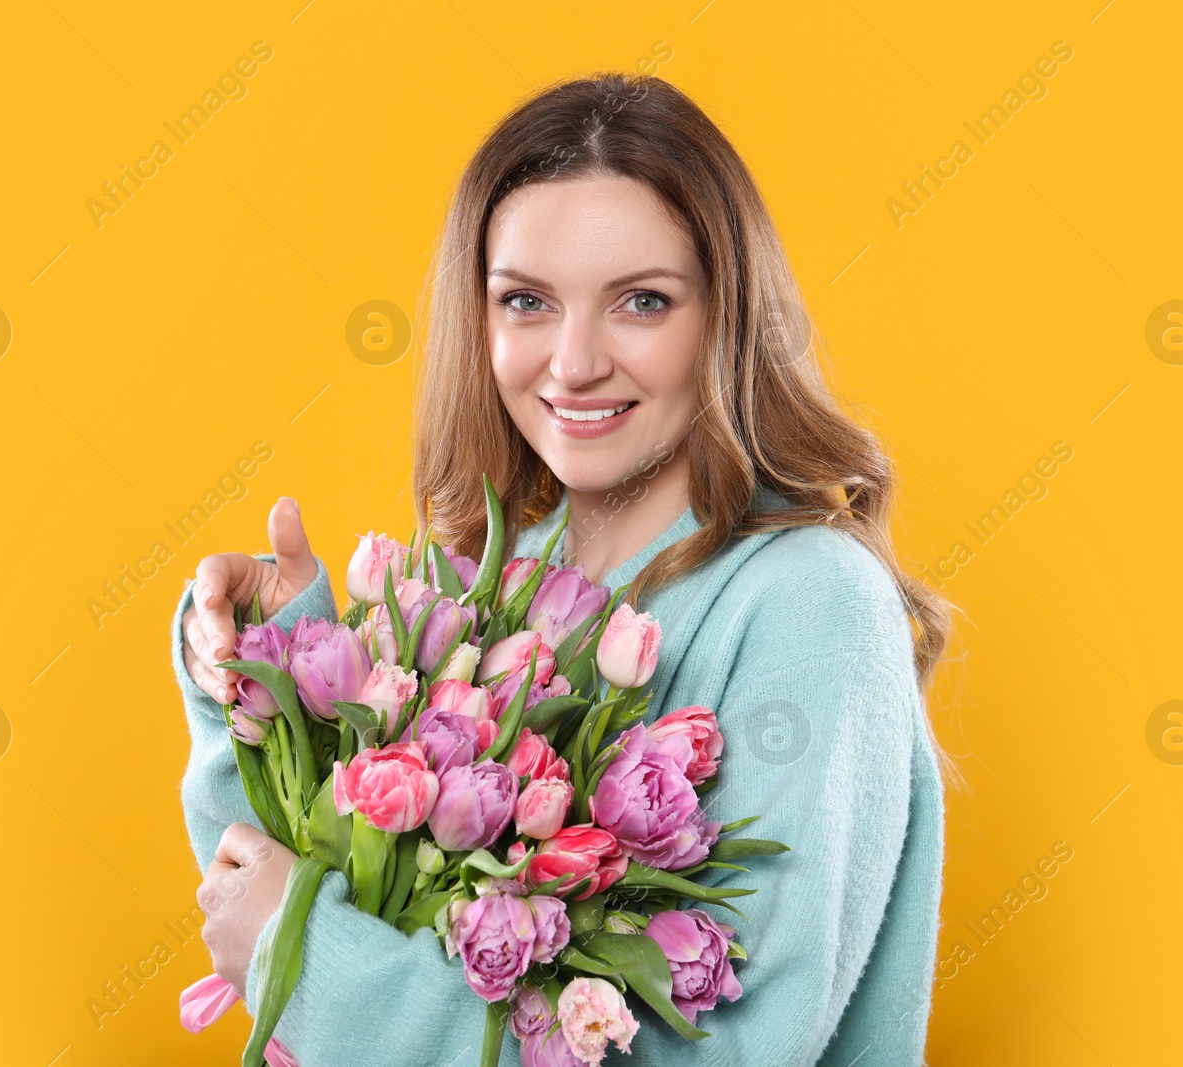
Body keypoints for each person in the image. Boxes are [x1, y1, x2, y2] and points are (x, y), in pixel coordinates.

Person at [173, 71, 956, 1066]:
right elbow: (268, 906)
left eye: (641, 301)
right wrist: (261, 675)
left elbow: (738, 1051)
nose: (574, 361)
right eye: (527, 301)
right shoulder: (491, 594)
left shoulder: (810, 603)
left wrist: (320, 961)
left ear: (723, 318)